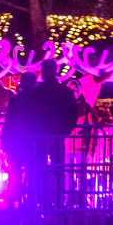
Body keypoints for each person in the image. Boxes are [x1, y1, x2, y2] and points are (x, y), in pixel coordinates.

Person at [26, 59, 79, 206]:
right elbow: (73, 113)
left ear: (42, 72)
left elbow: (30, 114)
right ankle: (58, 201)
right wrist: (65, 131)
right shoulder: (65, 91)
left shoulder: (36, 92)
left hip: (40, 136)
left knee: (39, 168)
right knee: (58, 169)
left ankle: (39, 201)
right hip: (58, 135)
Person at [2, 71, 41, 207]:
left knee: (15, 172)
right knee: (33, 172)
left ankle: (12, 198)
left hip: (17, 141)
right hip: (33, 142)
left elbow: (9, 121)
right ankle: (31, 199)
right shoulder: (38, 101)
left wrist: (5, 141)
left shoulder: (15, 100)